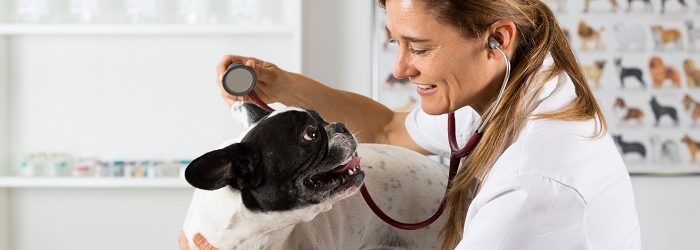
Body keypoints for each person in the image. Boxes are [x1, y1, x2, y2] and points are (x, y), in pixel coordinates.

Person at [181, 0, 641, 249]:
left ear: (496, 40)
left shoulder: (532, 189)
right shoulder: (514, 91)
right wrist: (280, 83)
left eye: (418, 48)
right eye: (394, 43)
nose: (400, 68)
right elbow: (386, 128)